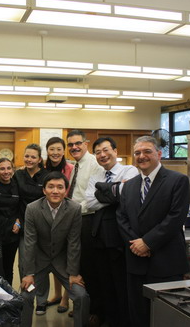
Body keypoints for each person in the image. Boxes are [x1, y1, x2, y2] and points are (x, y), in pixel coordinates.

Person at [117, 136, 190, 327]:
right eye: (138, 153)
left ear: (159, 154)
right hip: (135, 261)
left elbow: (175, 218)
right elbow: (122, 217)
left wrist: (147, 242)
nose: (142, 156)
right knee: (138, 314)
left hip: (166, 261)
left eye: (147, 151)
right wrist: (137, 244)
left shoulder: (178, 181)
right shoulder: (129, 185)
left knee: (166, 316)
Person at [20, 171, 90, 327]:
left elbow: (74, 242)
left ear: (66, 190)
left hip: (62, 261)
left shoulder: (74, 209)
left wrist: (73, 273)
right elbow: (29, 242)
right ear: (44, 190)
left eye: (60, 187)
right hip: (38, 262)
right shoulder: (32, 208)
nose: (55, 191)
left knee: (81, 295)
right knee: (25, 295)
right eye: (50, 187)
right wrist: (28, 273)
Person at [85, 137, 139, 327]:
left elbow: (127, 195)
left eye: (106, 150)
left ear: (115, 151)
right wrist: (115, 190)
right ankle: (110, 318)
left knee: (121, 281)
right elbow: (90, 202)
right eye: (98, 152)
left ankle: (124, 320)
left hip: (121, 236)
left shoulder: (130, 170)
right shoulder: (95, 175)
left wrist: (104, 192)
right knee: (104, 281)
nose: (102, 155)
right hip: (100, 235)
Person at [66, 129, 101, 321]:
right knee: (79, 266)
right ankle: (84, 306)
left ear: (86, 143)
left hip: (88, 219)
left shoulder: (94, 164)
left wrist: (71, 211)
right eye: (70, 145)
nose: (74, 147)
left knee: (89, 267)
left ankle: (94, 310)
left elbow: (93, 197)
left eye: (77, 143)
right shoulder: (76, 166)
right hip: (77, 219)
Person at [12, 144, 48, 313]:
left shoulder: (46, 176)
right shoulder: (18, 174)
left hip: (44, 226)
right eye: (27, 156)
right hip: (25, 226)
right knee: (25, 264)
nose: (29, 159)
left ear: (39, 159)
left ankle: (42, 300)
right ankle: (27, 297)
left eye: (33, 157)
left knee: (42, 264)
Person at [44, 137, 74, 312]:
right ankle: (56, 294)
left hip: (66, 216)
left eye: (58, 149)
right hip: (48, 216)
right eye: (51, 149)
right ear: (47, 151)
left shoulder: (70, 168)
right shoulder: (44, 168)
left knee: (66, 256)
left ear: (64, 151)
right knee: (53, 256)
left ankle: (66, 297)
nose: (55, 152)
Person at [0, 157, 20, 285]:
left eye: (9, 168)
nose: (6, 171)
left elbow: (21, 207)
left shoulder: (17, 186)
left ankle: (8, 297)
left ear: (13, 169)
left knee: (9, 268)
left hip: (12, 234)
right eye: (2, 168)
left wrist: (19, 221)